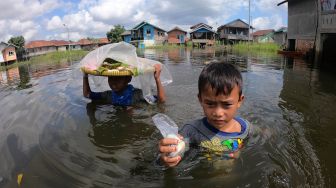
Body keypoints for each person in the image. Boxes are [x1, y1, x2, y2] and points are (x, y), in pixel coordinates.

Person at [158, 62, 250, 167]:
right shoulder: (191, 131)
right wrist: (165, 158)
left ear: (239, 101)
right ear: (200, 100)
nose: (218, 113)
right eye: (210, 104)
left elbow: (259, 132)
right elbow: (174, 152)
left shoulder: (245, 127)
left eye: (227, 104)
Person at [83, 63, 165, 106]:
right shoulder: (108, 95)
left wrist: (157, 79)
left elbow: (160, 101)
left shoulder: (137, 94)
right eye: (111, 78)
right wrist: (85, 76)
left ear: (128, 79)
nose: (113, 82)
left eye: (118, 78)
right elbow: (87, 94)